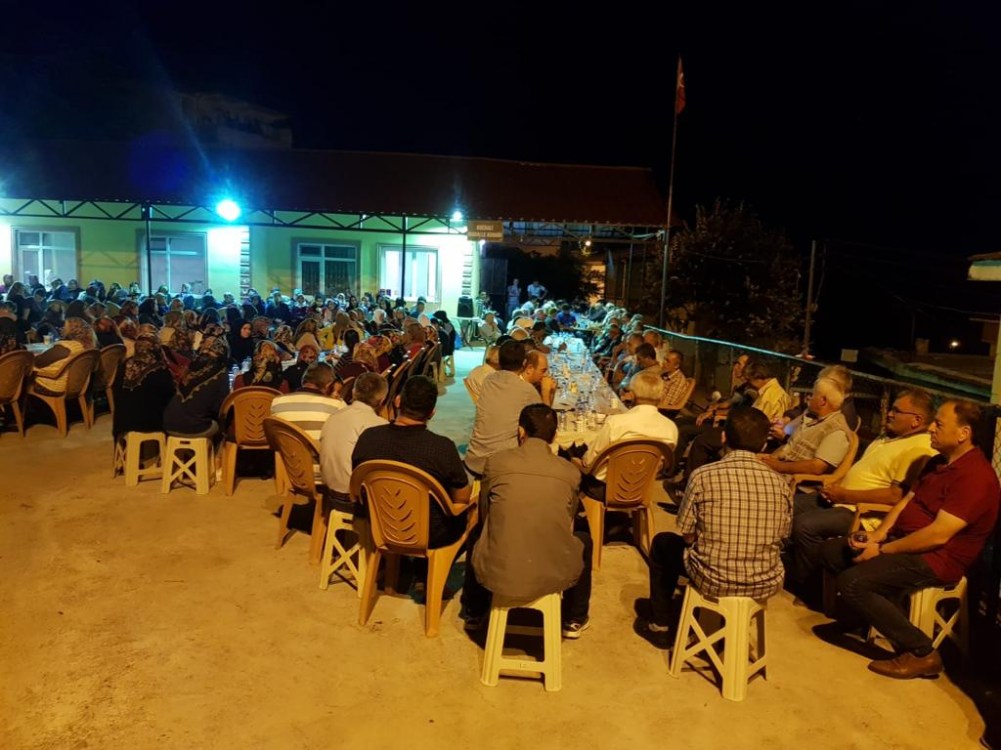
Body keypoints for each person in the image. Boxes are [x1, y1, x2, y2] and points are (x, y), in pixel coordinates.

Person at [815, 399, 1000, 679]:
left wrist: (882, 550)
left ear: (963, 433)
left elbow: (938, 535)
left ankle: (921, 652)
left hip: (936, 558)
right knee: (832, 551)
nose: (931, 429)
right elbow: (906, 502)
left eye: (939, 424)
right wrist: (877, 535)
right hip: (904, 542)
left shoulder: (975, 477)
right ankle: (861, 618)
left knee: (853, 583)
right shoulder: (937, 462)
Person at [634, 407, 793, 647]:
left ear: (724, 437)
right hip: (764, 582)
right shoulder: (781, 485)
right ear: (763, 445)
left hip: (714, 578)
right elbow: (783, 536)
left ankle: (661, 624)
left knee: (663, 544)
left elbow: (687, 535)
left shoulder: (703, 476)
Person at [786, 388, 937, 594]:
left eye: (896, 410)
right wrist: (835, 487)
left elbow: (895, 496)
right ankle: (788, 569)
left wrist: (845, 495)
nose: (889, 414)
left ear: (916, 420)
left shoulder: (919, 449)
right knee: (786, 505)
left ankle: (809, 587)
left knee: (805, 526)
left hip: (863, 513)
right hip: (841, 499)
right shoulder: (888, 437)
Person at [462, 403, 593, 637]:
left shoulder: (497, 462)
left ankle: (473, 611)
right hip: (552, 572)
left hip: (500, 569)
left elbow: (485, 513)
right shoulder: (569, 472)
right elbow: (569, 519)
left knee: (477, 533)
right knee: (584, 539)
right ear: (554, 436)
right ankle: (574, 618)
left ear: (521, 431)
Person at [352, 375, 472, 548]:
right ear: (432, 412)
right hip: (431, 533)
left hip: (379, 524)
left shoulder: (368, 438)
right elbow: (461, 497)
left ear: (398, 401)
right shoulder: (442, 448)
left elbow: (358, 482)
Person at [573, 371, 678, 501]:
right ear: (661, 396)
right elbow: (663, 464)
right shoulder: (671, 428)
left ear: (631, 395)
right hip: (642, 489)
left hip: (603, 489)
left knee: (572, 452)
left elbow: (588, 462)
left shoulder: (616, 423)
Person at [463, 340, 543, 477]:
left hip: (473, 459)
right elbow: (544, 423)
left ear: (499, 361)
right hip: (500, 467)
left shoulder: (488, 380)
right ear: (524, 363)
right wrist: (546, 391)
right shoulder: (526, 390)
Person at [757, 376, 852, 478]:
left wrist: (778, 466)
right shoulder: (811, 417)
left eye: (812, 395)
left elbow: (817, 467)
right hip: (777, 469)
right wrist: (768, 459)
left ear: (822, 401)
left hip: (790, 480)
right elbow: (788, 447)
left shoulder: (837, 431)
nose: (808, 398)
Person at [319, 372, 389, 497]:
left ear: (353, 392)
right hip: (355, 496)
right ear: (382, 400)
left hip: (328, 490)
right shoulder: (379, 426)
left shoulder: (333, 416)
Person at [162, 333, 230, 436]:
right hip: (195, 428)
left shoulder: (192, 367)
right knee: (221, 428)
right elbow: (220, 407)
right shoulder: (221, 372)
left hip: (169, 425)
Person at [112, 332, 176, 438]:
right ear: (156, 348)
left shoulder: (124, 365)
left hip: (122, 425)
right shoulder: (159, 369)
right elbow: (170, 397)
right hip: (149, 426)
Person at [269, 361, 344, 443]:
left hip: (287, 450)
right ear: (329, 384)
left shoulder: (277, 402)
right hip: (319, 450)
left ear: (303, 380)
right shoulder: (336, 406)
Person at [31, 317, 97, 394]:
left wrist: (33, 357)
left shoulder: (65, 347)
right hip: (77, 385)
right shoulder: (86, 346)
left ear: (71, 330)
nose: (62, 329)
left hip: (53, 386)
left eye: (64, 327)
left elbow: (39, 362)